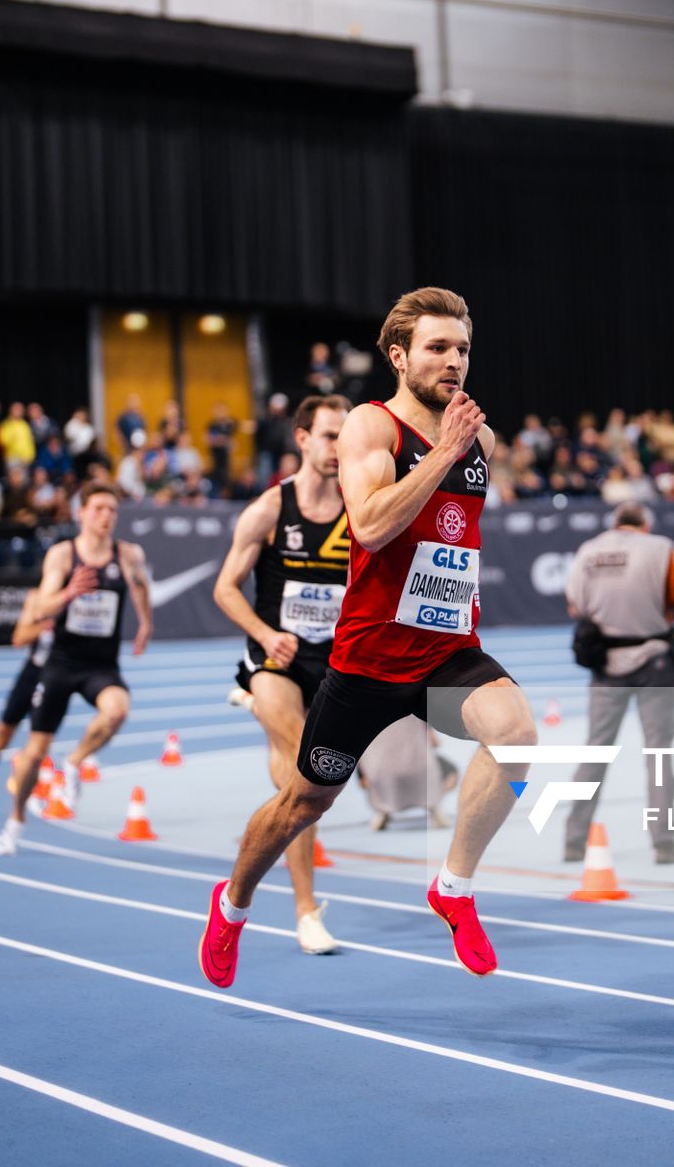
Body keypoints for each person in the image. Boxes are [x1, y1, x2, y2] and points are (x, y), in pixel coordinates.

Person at [198, 286, 534, 988]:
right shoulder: (369, 427)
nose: (453, 363)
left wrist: (459, 461)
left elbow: (453, 535)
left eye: (463, 350)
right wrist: (444, 453)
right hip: (369, 659)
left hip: (444, 651)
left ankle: (454, 888)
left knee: (517, 734)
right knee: (305, 801)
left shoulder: (484, 438)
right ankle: (232, 905)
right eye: (438, 348)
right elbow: (374, 527)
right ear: (398, 355)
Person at [211, 393, 353, 956]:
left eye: (346, 436)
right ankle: (305, 910)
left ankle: (258, 709)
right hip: (275, 656)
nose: (339, 447)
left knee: (293, 773)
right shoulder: (270, 510)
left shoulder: (359, 506)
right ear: (301, 438)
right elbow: (224, 588)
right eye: (328, 435)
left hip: (332, 660)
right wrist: (267, 635)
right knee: (305, 772)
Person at [0, 483, 152, 856]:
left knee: (118, 710)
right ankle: (15, 821)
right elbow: (39, 609)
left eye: (112, 510)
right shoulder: (63, 556)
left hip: (101, 664)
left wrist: (146, 623)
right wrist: (69, 594)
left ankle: (75, 761)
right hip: (61, 665)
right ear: (81, 513)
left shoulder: (128, 554)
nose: (106, 516)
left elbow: (142, 585)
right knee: (33, 754)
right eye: (98, 508)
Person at [562, 502, 674, 865]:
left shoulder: (588, 551)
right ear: (644, 524)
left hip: (606, 662)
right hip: (654, 659)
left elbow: (575, 605)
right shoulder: (660, 548)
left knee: (595, 751)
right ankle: (664, 843)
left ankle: (574, 839)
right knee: (658, 752)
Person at [0, 595, 57, 820]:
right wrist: (46, 626)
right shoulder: (39, 598)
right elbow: (19, 638)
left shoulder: (83, 599)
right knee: (3, 735)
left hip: (56, 678)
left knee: (38, 747)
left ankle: (17, 812)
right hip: (32, 674)